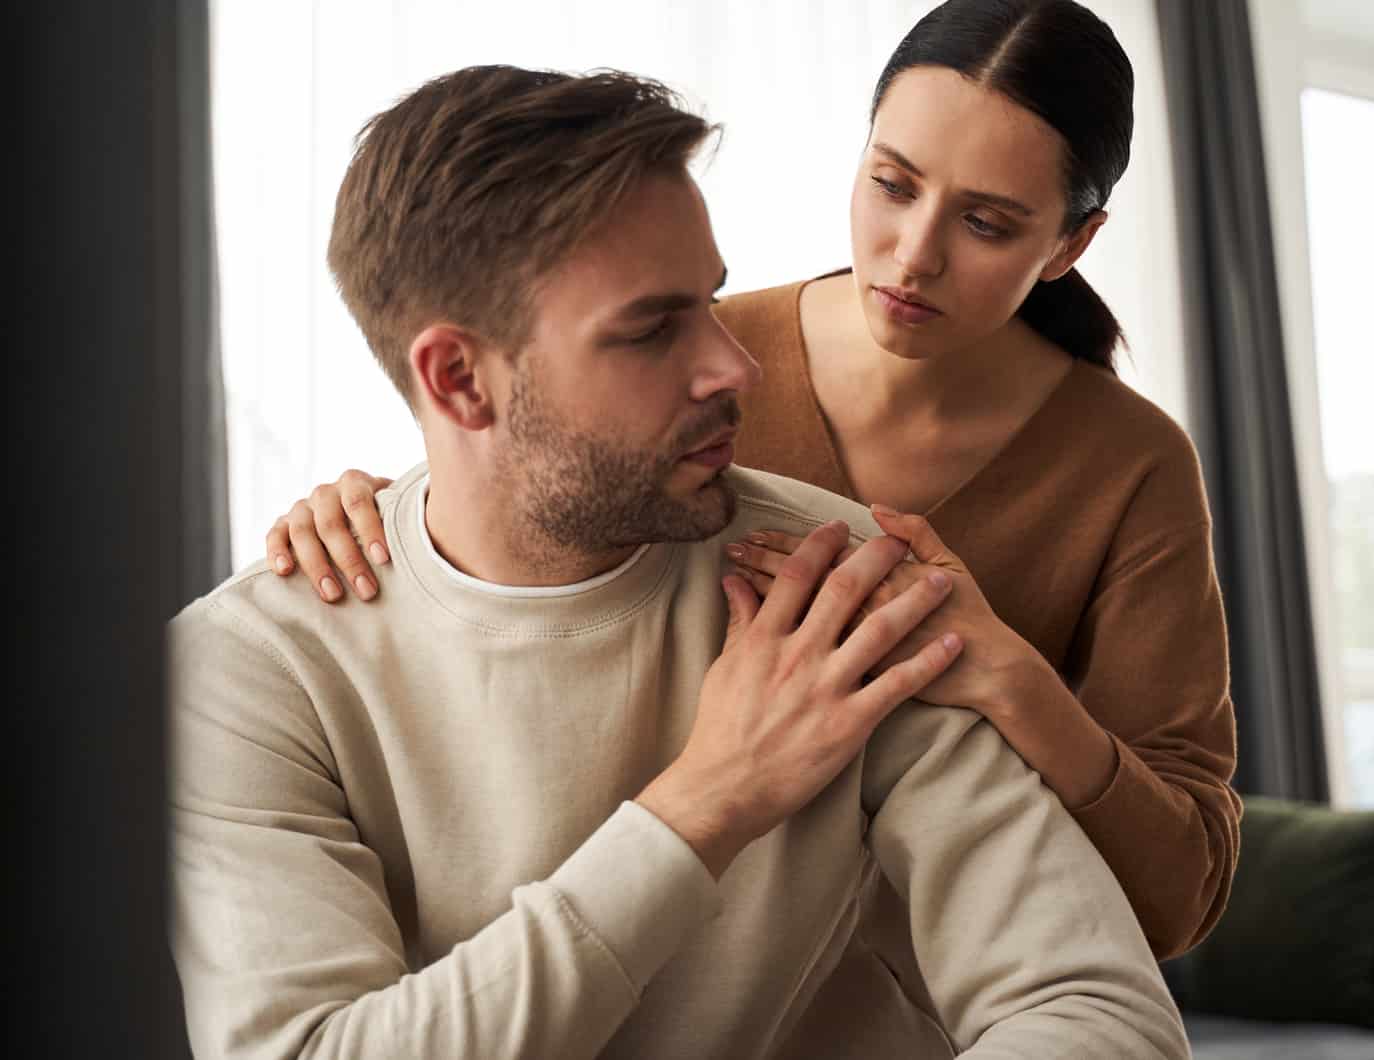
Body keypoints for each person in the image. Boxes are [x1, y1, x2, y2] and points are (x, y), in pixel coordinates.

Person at [170, 64, 1188, 1059]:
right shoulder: (249, 673)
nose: (735, 363)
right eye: (652, 328)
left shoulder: (833, 580)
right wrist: (705, 801)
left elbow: (1099, 1009)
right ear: (458, 379)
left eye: (709, 300)